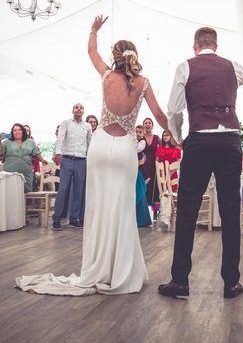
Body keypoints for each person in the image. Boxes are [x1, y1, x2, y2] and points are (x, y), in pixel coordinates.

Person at [16, 15, 170, 296]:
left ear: (116, 56)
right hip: (125, 148)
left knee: (98, 207)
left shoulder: (107, 76)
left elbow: (91, 52)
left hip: (99, 147)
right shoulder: (144, 83)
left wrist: (94, 30)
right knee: (121, 208)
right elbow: (159, 115)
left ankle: (97, 267)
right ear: (135, 57)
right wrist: (178, 131)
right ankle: (121, 270)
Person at [158, 26, 243, 300]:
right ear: (216, 45)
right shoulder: (232, 66)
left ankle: (180, 281)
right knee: (231, 210)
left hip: (199, 141)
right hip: (229, 141)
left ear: (195, 44)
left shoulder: (185, 66)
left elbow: (174, 109)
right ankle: (231, 283)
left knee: (187, 209)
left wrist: (178, 137)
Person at [52, 103, 93, 230]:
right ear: (72, 110)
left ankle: (74, 218)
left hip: (82, 160)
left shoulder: (87, 126)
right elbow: (60, 138)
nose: (79, 109)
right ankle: (57, 218)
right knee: (63, 188)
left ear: (84, 111)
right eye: (76, 107)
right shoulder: (66, 123)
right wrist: (58, 153)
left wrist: (91, 158)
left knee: (78, 190)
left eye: (81, 107)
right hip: (67, 159)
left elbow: (90, 142)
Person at [0, 123, 46, 192]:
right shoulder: (6, 142)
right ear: (12, 132)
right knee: (11, 192)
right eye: (15, 130)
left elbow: (36, 153)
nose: (17, 132)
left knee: (27, 193)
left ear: (23, 131)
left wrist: (42, 160)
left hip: (27, 173)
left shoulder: (31, 142)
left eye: (19, 130)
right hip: (10, 172)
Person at [140, 117, 160, 219]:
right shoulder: (140, 137)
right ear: (143, 125)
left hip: (154, 164)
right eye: (145, 123)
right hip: (142, 164)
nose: (147, 124)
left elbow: (163, 148)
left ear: (152, 126)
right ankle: (143, 212)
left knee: (154, 189)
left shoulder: (157, 138)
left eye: (149, 123)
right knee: (144, 188)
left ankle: (156, 212)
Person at [135, 125, 152, 227]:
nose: (137, 134)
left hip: (137, 169)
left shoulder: (142, 142)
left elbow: (138, 149)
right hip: (131, 168)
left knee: (139, 193)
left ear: (143, 134)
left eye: (140, 132)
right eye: (136, 131)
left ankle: (141, 220)